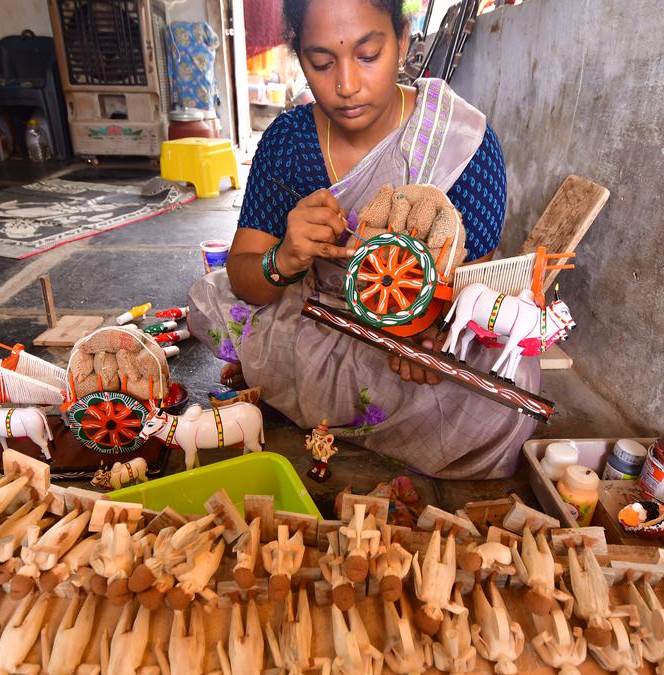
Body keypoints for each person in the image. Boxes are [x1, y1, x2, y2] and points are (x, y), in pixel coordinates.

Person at [189, 0, 539, 479]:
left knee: (502, 396)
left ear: (402, 37)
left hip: (418, 336)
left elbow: (474, 295)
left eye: (368, 54)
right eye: (321, 62)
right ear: (299, 55)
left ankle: (296, 399)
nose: (346, 85)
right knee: (216, 304)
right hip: (318, 317)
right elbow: (246, 277)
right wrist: (284, 258)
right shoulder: (289, 142)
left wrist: (430, 337)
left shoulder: (463, 141)